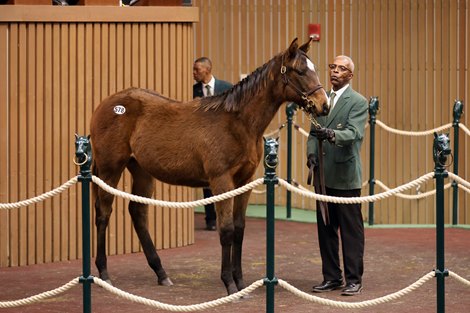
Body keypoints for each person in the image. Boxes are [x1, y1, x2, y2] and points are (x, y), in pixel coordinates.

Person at [306, 55, 368, 296]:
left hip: (345, 177)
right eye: (333, 67)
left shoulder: (358, 102)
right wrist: (311, 155)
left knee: (351, 232)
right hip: (323, 175)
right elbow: (313, 132)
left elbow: (353, 133)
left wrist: (331, 134)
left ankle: (354, 279)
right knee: (326, 229)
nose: (335, 71)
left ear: (350, 76)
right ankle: (331, 277)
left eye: (342, 69)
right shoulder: (321, 99)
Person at [193, 57, 233, 231]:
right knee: (206, 181)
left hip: (223, 141)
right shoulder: (193, 90)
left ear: (207, 70)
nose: (194, 73)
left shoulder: (227, 88)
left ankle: (226, 216)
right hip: (201, 140)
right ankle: (210, 219)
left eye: (197, 70)